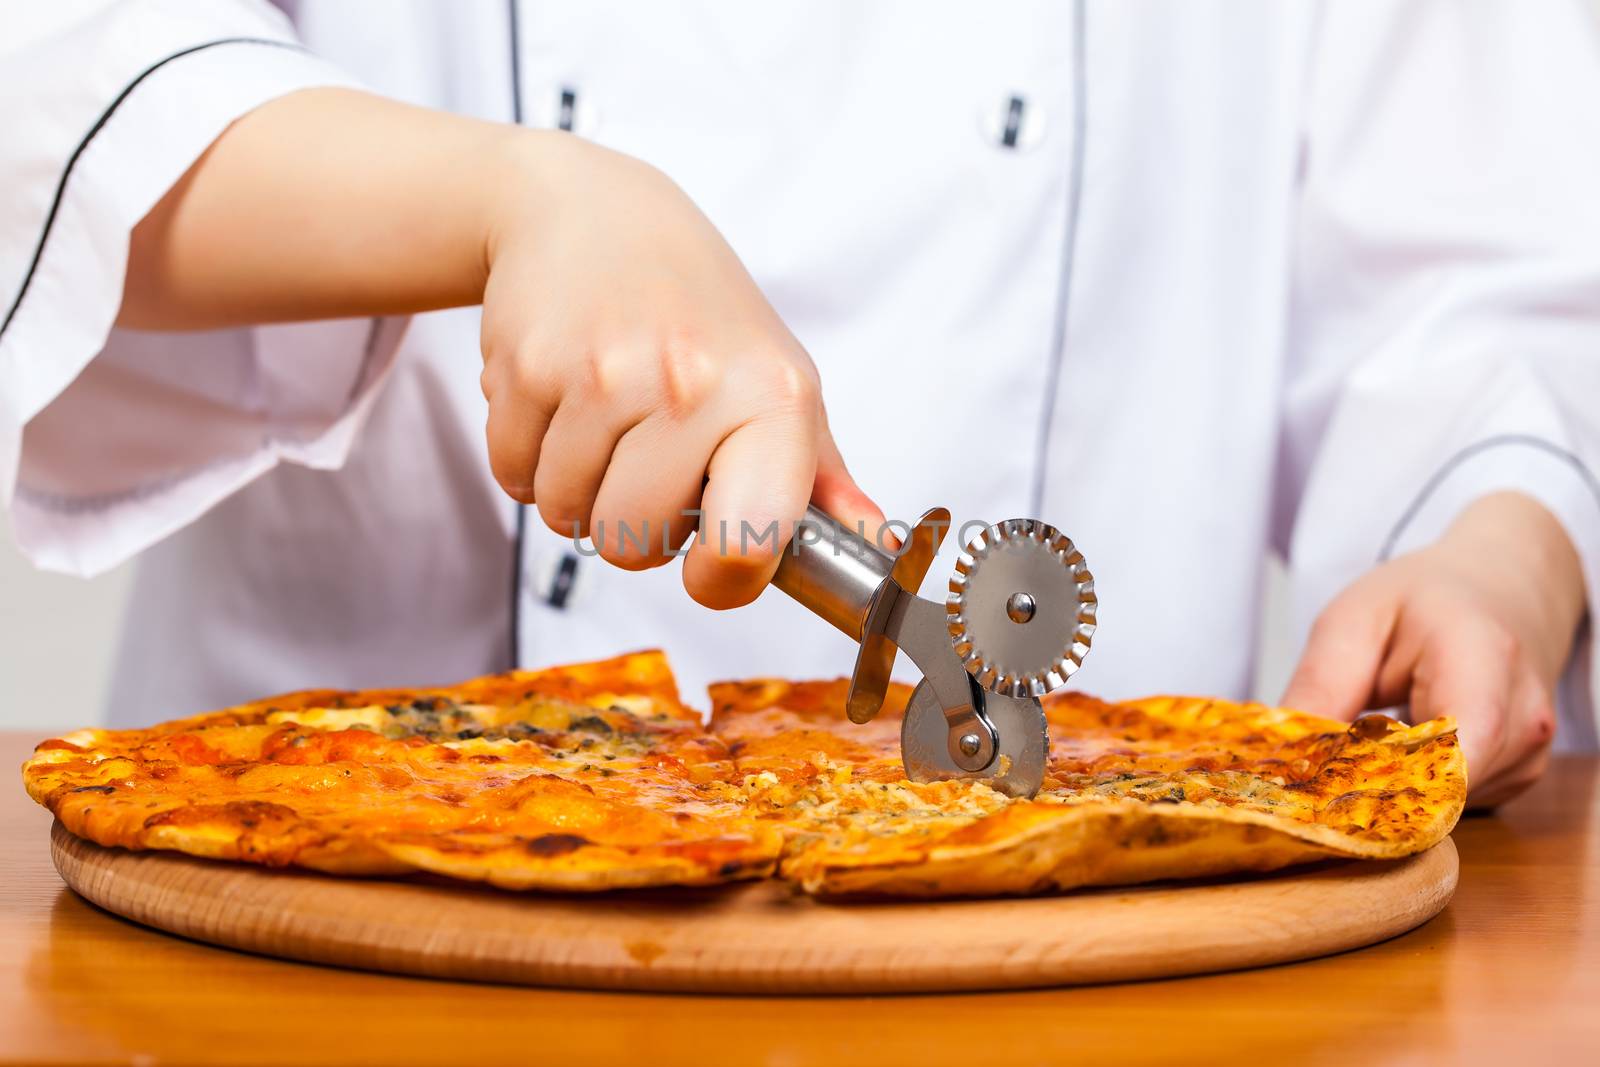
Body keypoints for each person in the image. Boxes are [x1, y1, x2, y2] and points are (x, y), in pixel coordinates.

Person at [2, 1, 1596, 808]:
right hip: (352, 914)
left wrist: (1501, 544)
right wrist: (499, 198)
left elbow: (1473, 256)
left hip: (1114, 956)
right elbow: (54, 71)